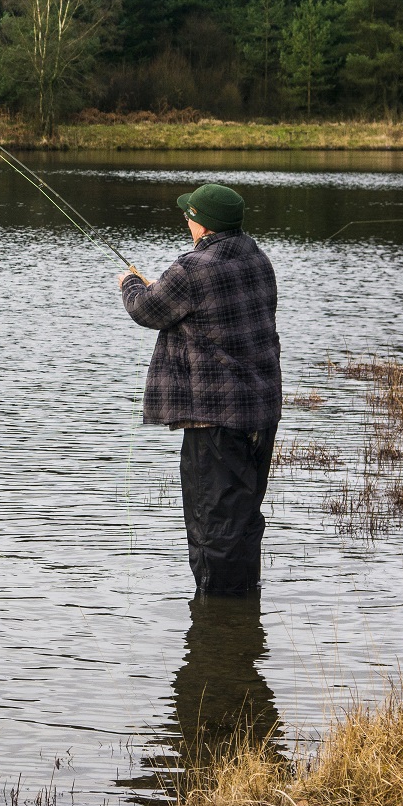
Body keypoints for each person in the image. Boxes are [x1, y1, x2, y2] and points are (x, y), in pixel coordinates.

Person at [118, 183, 281, 595]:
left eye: (188, 215)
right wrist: (161, 287)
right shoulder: (257, 259)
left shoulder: (192, 269)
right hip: (260, 411)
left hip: (216, 419)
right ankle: (239, 622)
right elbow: (209, 305)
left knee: (214, 526)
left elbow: (145, 310)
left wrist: (131, 284)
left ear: (203, 225)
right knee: (243, 518)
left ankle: (215, 616)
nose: (185, 221)